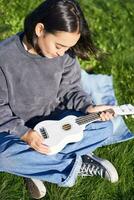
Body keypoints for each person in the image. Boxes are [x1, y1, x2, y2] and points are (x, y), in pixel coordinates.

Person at [0, 0, 119, 199]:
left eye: (67, 48)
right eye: (59, 46)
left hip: (57, 120)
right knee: (3, 157)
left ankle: (35, 166)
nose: (62, 53)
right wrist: (25, 134)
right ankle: (74, 165)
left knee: (104, 127)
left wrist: (88, 106)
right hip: (17, 131)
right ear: (40, 29)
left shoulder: (65, 53)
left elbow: (70, 90)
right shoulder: (4, 57)